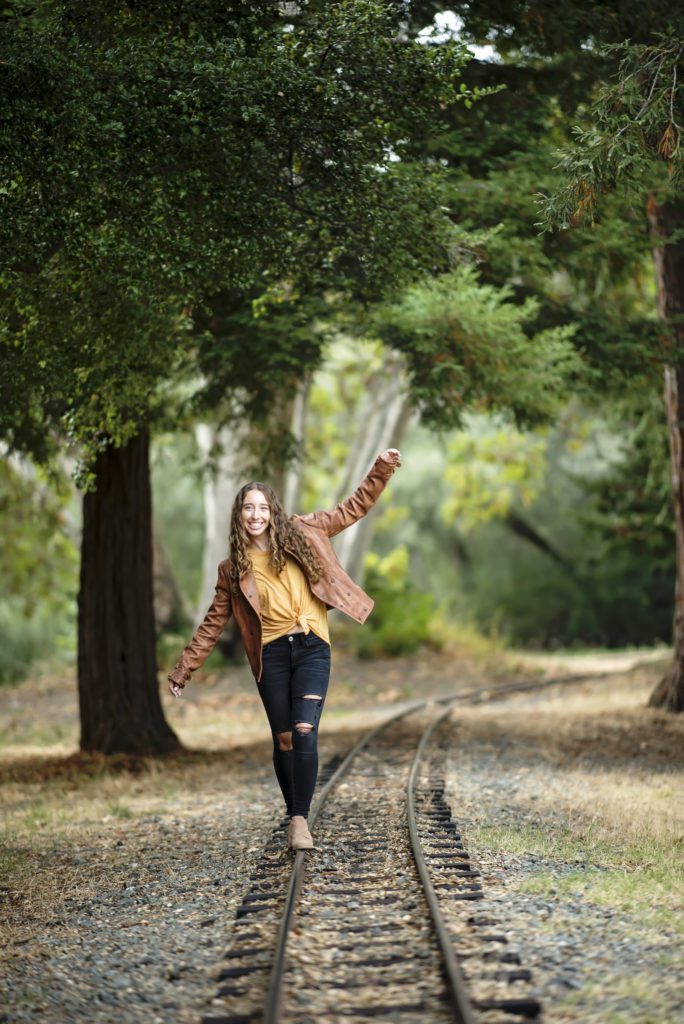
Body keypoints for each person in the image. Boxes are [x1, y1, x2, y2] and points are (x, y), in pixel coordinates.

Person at [168, 448, 402, 849]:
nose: (256, 515)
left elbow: (352, 509)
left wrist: (381, 468)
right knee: (284, 740)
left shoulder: (303, 531)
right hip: (272, 655)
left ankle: (299, 819)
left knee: (305, 730)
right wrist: (184, 668)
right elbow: (213, 622)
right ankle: (293, 808)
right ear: (239, 516)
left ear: (272, 511)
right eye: (248, 509)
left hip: (312, 645)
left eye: (262, 507)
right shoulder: (232, 570)